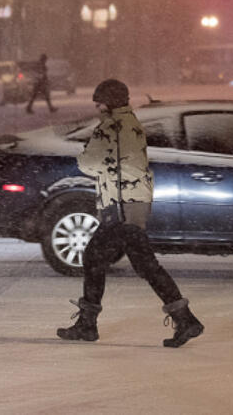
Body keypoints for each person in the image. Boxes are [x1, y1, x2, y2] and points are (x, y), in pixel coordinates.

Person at [56, 78, 204, 348]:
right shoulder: (133, 123)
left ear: (109, 102)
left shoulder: (109, 127)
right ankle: (184, 319)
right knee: (138, 264)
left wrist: (84, 154)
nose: (97, 106)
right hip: (134, 203)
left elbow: (88, 164)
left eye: (99, 102)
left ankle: (89, 324)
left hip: (120, 207)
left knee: (98, 259)